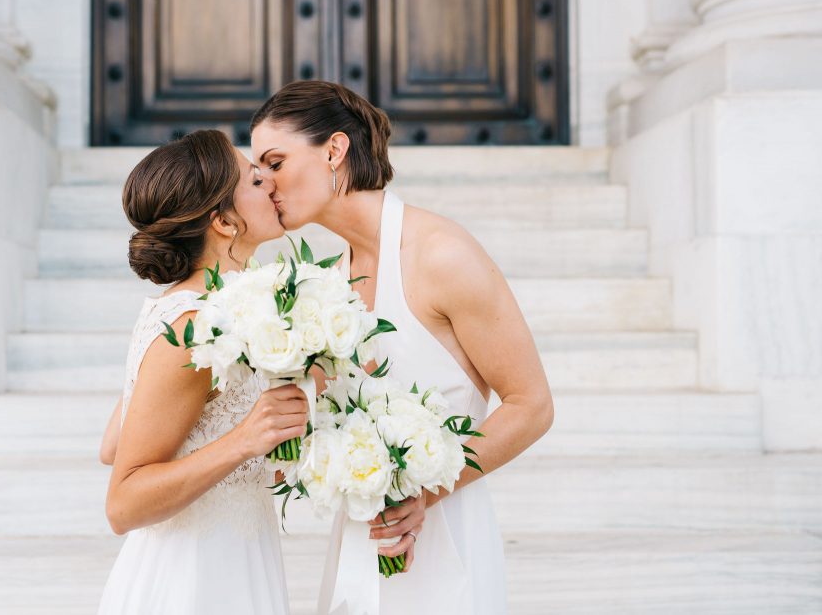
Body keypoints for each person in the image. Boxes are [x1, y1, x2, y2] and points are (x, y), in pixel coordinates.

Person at [249, 81, 555, 614]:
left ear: (334, 150)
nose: (262, 181)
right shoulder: (326, 285)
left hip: (444, 537)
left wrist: (425, 495)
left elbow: (532, 406)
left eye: (275, 161)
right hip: (360, 544)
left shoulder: (441, 254)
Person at [97, 130, 306, 614]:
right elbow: (122, 504)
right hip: (191, 582)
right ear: (224, 222)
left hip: (238, 561)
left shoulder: (222, 311)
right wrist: (244, 440)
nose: (273, 183)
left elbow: (114, 442)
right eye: (256, 179)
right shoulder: (194, 326)